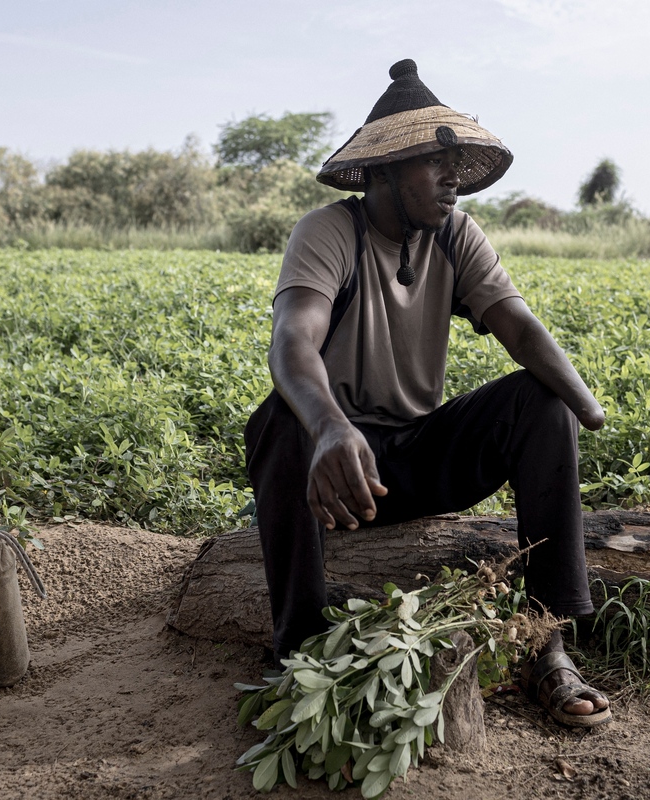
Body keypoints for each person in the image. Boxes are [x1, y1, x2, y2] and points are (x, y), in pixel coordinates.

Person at [244, 59, 610, 727]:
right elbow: (292, 341)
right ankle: (299, 652)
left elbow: (519, 328)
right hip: (338, 475)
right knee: (280, 419)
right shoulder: (329, 233)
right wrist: (329, 427)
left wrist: (584, 405)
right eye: (433, 165)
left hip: (415, 460)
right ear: (382, 171)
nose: (452, 182)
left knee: (541, 403)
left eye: (457, 167)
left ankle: (547, 641)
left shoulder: (457, 235)